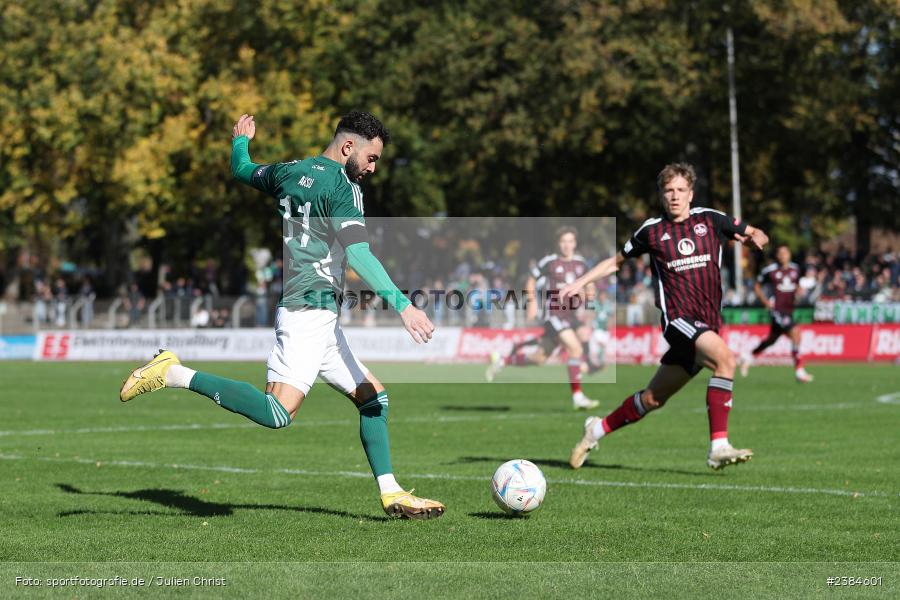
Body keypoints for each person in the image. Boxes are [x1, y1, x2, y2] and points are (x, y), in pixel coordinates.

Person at [119, 111, 444, 520]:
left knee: (373, 399)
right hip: (308, 312)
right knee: (277, 414)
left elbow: (242, 170)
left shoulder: (288, 172)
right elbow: (360, 253)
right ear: (349, 148)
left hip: (321, 318)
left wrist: (242, 140)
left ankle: (391, 493)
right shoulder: (345, 189)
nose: (372, 168)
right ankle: (173, 373)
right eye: (371, 158)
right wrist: (404, 305)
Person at [562, 163, 769, 470]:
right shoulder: (651, 230)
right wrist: (580, 283)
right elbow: (615, 262)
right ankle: (719, 446)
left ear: (691, 193)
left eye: (680, 190)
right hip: (679, 321)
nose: (674, 196)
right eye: (668, 190)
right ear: (661, 195)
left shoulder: (711, 220)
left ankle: (595, 430)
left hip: (707, 324)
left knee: (651, 400)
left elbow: (756, 232)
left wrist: (756, 239)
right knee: (726, 360)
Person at [486, 226, 599, 410]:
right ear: (558, 243)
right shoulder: (549, 262)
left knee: (540, 358)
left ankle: (502, 360)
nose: (567, 245)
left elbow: (590, 285)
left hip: (571, 315)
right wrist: (532, 302)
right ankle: (578, 396)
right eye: (563, 241)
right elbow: (530, 280)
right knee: (575, 349)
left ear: (575, 243)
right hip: (554, 313)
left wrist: (589, 308)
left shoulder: (581, 264)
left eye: (570, 241)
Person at [739, 245, 813, 382]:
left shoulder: (795, 269)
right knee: (796, 333)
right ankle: (799, 371)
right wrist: (766, 302)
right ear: (777, 255)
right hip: (777, 310)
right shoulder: (770, 271)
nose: (783, 255)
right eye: (781, 253)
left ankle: (747, 356)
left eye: (786, 253)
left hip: (789, 309)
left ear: (789, 255)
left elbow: (797, 286)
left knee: (771, 340)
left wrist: (798, 292)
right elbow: (756, 285)